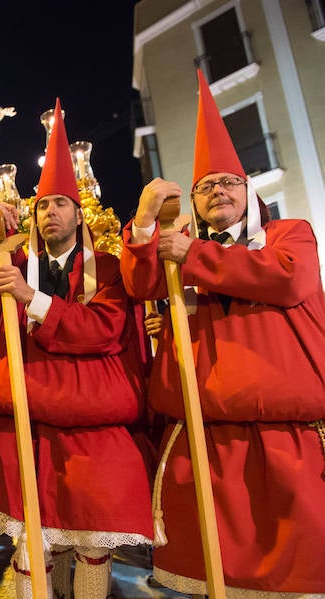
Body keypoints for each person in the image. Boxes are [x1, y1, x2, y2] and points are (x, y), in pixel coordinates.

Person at [119, 70, 325, 597]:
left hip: (289, 439)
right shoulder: (175, 245)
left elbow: (289, 278)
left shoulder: (288, 234)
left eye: (229, 182)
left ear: (249, 190)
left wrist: (193, 255)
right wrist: (145, 226)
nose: (218, 192)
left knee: (301, 577)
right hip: (204, 437)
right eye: (206, 186)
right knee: (215, 578)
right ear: (193, 200)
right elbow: (141, 284)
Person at [0, 99, 153, 599]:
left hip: (94, 433)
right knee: (31, 544)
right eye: (42, 205)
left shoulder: (107, 269)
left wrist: (31, 297)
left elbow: (103, 329)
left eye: (60, 203)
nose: (49, 212)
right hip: (28, 425)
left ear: (79, 212)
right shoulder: (15, 259)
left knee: (91, 545)